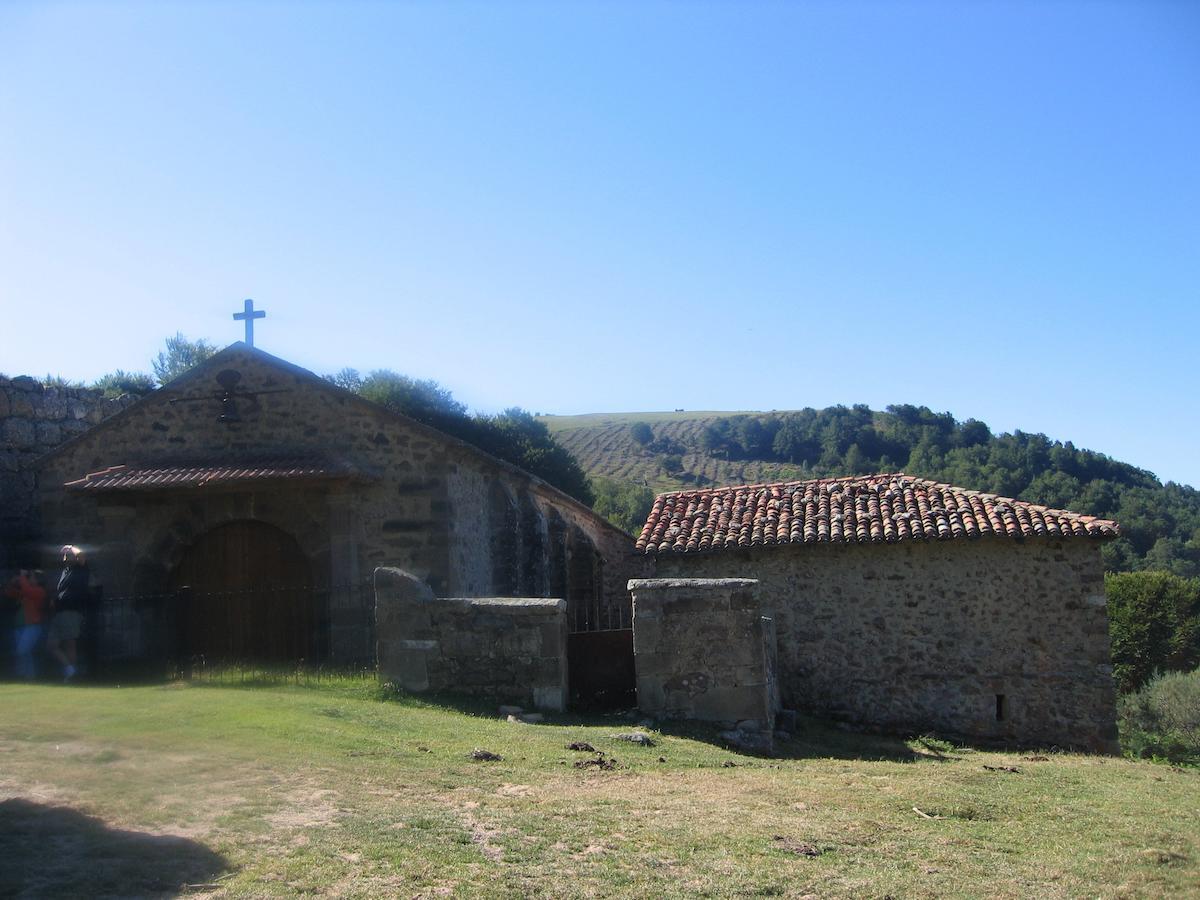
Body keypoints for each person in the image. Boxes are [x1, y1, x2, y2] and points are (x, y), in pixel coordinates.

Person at [48, 545, 90, 682]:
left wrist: (71, 547)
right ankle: (70, 669)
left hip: (71, 612)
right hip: (59, 612)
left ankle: (71, 673)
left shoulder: (81, 570)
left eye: (69, 555)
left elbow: (82, 555)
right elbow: (61, 590)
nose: (65, 557)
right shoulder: (65, 571)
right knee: (51, 645)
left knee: (70, 644)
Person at [11, 570, 48, 679]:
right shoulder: (26, 589)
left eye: (31, 577)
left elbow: (27, 590)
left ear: (38, 580)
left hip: (33, 626)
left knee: (22, 651)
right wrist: (14, 582)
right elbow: (10, 593)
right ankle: (28, 676)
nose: (29, 579)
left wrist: (22, 577)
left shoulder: (40, 591)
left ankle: (25, 675)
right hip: (20, 625)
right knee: (26, 653)